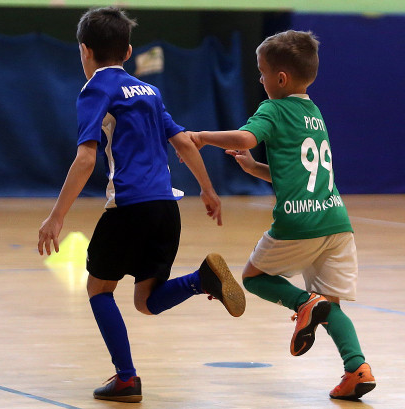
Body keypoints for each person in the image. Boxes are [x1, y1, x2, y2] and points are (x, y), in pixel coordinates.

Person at [37, 7, 245, 403]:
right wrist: (208, 189)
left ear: (84, 50)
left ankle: (126, 378)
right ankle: (201, 280)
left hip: (130, 207)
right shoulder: (149, 91)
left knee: (98, 289)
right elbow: (183, 142)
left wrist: (56, 216)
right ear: (128, 51)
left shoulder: (95, 89)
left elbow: (86, 158)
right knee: (146, 301)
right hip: (166, 207)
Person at [187, 30, 375, 401]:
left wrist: (203, 137)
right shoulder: (314, 113)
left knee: (253, 277)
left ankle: (304, 304)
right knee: (330, 304)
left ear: (281, 79)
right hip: (336, 221)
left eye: (262, 73)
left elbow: (245, 139)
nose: (260, 80)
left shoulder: (273, 109)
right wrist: (253, 168)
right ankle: (357, 368)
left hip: (299, 221)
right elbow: (297, 173)